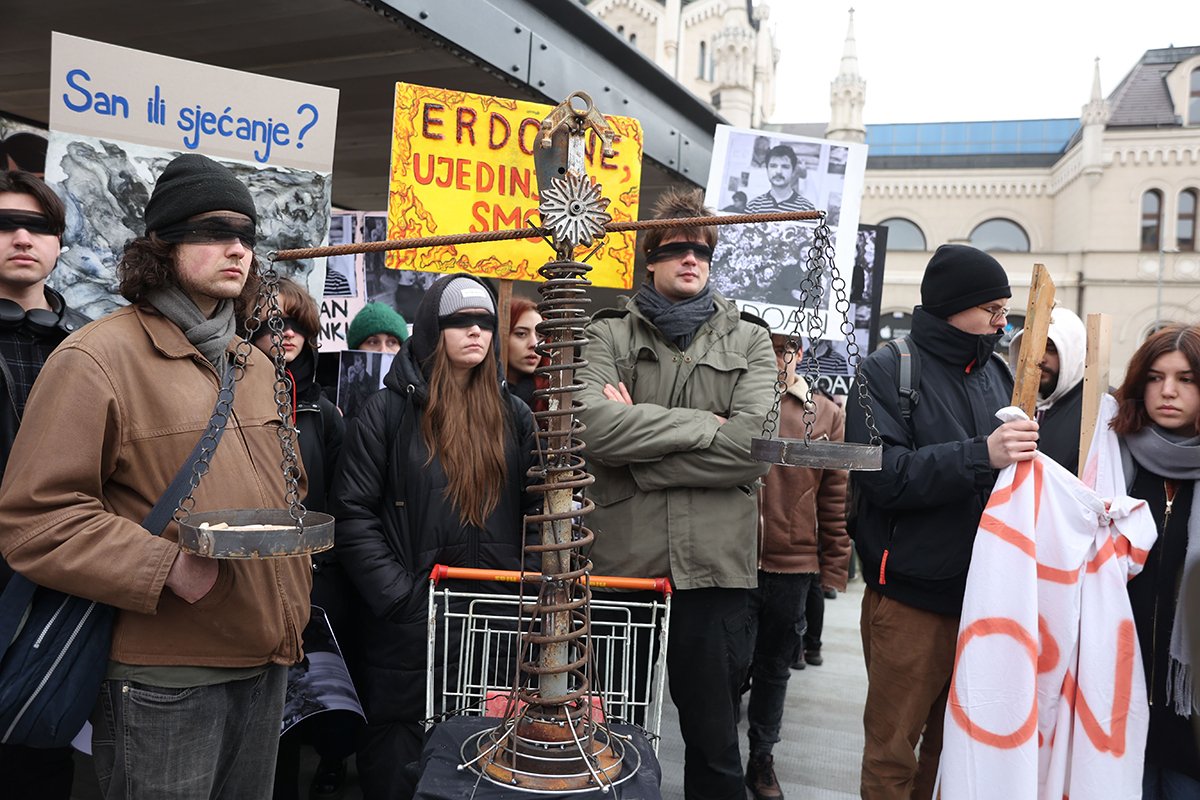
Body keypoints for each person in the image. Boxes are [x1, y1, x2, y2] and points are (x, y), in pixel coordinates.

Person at [0, 153, 311, 799]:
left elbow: (288, 488)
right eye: (214, 231)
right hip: (164, 678)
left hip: (269, 660)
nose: (237, 248)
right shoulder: (95, 358)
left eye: (247, 235)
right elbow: (36, 518)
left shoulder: (257, 367)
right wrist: (165, 565)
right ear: (163, 245)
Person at [576, 188, 776, 800]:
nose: (692, 258)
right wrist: (704, 424)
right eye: (677, 248)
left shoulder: (751, 341)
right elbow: (593, 428)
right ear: (651, 259)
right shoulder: (607, 334)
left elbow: (754, 449)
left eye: (703, 250)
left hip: (715, 571)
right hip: (623, 565)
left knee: (715, 747)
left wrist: (638, 458)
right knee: (611, 740)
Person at [845, 243, 1039, 800]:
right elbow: (883, 475)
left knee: (954, 749)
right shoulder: (886, 369)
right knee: (892, 752)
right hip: (911, 600)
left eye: (1005, 310)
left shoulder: (996, 371)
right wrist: (982, 454)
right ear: (955, 307)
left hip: (986, 598)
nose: (1002, 323)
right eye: (993, 310)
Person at [331, 274, 536, 800]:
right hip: (408, 629)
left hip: (493, 625)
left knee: (481, 765)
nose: (476, 331)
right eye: (459, 321)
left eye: (485, 322)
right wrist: (401, 597)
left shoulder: (515, 415)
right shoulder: (386, 413)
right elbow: (352, 514)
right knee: (398, 762)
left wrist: (523, 588)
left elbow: (539, 512)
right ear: (430, 330)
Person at [0, 170, 90, 800]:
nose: (22, 238)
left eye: (38, 226)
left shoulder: (93, 345)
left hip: (60, 586)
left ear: (59, 242)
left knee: (39, 761)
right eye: (5, 225)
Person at [251, 279, 357, 800]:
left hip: (308, 582)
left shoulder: (324, 413)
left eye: (297, 323)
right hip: (246, 574)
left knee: (297, 713)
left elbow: (342, 500)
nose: (286, 333)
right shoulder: (228, 399)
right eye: (273, 322)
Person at [744, 334, 850, 800]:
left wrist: (834, 564)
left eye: (783, 348)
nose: (774, 357)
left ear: (799, 353)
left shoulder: (823, 412)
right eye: (765, 347)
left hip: (793, 564)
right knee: (725, 667)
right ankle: (721, 758)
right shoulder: (736, 401)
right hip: (730, 560)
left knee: (774, 668)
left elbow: (834, 493)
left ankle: (761, 756)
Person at [1110, 323, 1200, 798]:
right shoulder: (1109, 462)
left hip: (1192, 719)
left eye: (1186, 379)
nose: (1168, 391)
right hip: (1115, 700)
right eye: (1155, 377)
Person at [1008, 306, 1087, 473]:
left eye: (1050, 348)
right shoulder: (1012, 402)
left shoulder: (1096, 408)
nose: (1040, 359)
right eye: (1033, 348)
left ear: (1073, 353)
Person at [505, 295, 547, 414]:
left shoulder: (551, 395)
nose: (534, 344)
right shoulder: (479, 393)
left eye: (540, 336)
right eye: (521, 334)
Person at [746, 145, 815, 213]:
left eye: (785, 167)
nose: (778, 171)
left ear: (793, 171)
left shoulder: (807, 209)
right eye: (773, 166)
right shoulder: (753, 207)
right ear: (767, 170)